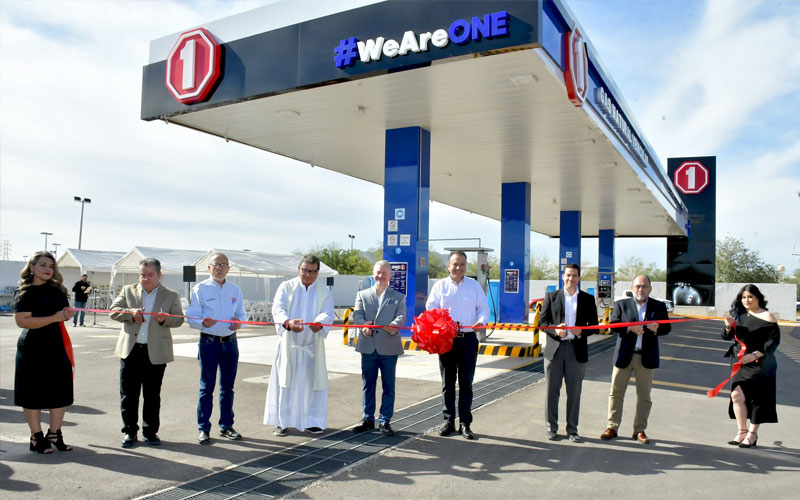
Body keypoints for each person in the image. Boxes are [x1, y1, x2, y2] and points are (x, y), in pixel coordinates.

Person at [110, 257, 184, 448]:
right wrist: (130, 314)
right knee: (128, 394)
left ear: (159, 275)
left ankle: (150, 432)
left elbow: (178, 320)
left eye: (150, 275)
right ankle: (129, 432)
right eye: (142, 275)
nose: (146, 279)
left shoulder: (171, 295)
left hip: (156, 352)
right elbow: (113, 310)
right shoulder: (128, 291)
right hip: (131, 350)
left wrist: (165, 319)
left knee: (152, 395)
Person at [265, 254, 334, 436]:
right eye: (305, 270)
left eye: (312, 272)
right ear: (299, 269)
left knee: (313, 385)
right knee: (285, 384)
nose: (308, 275)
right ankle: (283, 421)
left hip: (312, 347)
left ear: (318, 272)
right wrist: (287, 322)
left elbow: (328, 312)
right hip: (290, 346)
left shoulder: (324, 291)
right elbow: (278, 309)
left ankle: (313, 421)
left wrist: (319, 322)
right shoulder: (286, 287)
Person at [14, 251, 74, 454]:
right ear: (32, 267)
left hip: (56, 345)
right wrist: (55, 317)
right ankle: (36, 436)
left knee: (61, 390)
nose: (48, 269)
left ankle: (55, 434)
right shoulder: (25, 292)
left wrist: (66, 315)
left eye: (51, 266)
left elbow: (61, 317)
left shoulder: (58, 290)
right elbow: (22, 321)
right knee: (32, 392)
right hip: (32, 346)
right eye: (43, 265)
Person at [425, 251, 489, 440]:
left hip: (468, 340)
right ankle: (448, 421)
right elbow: (431, 309)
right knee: (448, 383)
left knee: (466, 383)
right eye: (455, 264)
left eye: (462, 264)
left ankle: (465, 423)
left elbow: (484, 308)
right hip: (447, 340)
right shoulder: (440, 286)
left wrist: (481, 321)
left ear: (466, 266)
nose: (458, 267)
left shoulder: (474, 286)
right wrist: (442, 323)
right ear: (448, 266)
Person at [600, 274, 670, 444]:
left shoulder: (658, 307)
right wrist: (629, 328)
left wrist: (656, 328)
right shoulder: (621, 305)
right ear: (632, 288)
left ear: (650, 289)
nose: (641, 289)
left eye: (644, 286)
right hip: (624, 356)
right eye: (638, 286)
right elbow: (613, 325)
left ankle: (639, 430)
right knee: (616, 393)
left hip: (645, 358)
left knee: (644, 396)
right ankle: (612, 427)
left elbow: (666, 328)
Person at [187, 252, 248, 444]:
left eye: (224, 265)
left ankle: (226, 426)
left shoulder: (235, 290)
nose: (220, 268)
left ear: (229, 268)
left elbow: (242, 316)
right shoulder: (200, 289)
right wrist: (202, 322)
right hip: (209, 343)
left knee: (227, 388)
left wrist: (239, 323)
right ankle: (203, 428)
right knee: (207, 387)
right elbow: (191, 317)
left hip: (230, 343)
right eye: (216, 265)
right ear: (209, 268)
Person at [539, 263, 598, 442]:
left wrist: (583, 331)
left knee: (574, 392)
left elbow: (594, 326)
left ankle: (572, 429)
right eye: (568, 275)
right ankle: (551, 427)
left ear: (579, 278)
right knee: (552, 391)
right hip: (555, 350)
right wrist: (555, 330)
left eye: (574, 275)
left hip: (576, 350)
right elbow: (543, 323)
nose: (571, 278)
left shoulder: (588, 299)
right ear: (562, 277)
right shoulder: (551, 297)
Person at [352, 260, 406, 435]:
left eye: (384, 273)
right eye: (378, 272)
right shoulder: (363, 295)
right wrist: (363, 324)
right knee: (368, 384)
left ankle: (385, 420)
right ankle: (368, 418)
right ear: (372, 274)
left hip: (389, 347)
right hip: (368, 347)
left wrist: (394, 325)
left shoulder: (398, 297)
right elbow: (357, 314)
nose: (380, 276)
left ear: (390, 275)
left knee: (388, 385)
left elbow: (402, 317)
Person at [722, 284, 780, 448]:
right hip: (740, 362)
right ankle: (742, 431)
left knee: (757, 399)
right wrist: (728, 326)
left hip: (761, 363)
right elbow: (727, 337)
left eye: (750, 297)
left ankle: (752, 435)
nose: (746, 300)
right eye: (743, 297)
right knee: (736, 396)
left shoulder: (767, 317)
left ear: (758, 298)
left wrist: (756, 354)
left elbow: (774, 341)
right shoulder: (738, 315)